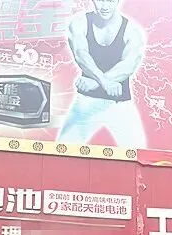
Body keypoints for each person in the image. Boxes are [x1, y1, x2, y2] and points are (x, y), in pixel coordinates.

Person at [57, 0, 147, 147]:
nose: (105, 6)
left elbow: (128, 66)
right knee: (62, 149)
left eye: (110, 1)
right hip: (85, 102)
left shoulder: (132, 30)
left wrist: (95, 82)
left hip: (120, 105)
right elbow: (80, 54)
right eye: (100, 0)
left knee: (139, 153)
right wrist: (104, 82)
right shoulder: (79, 22)